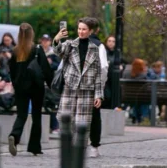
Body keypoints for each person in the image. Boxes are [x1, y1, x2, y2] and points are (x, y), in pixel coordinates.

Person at [8, 23, 53, 156]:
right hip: (36, 86)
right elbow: (45, 69)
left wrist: (15, 85)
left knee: (21, 115)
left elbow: (12, 71)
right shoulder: (37, 49)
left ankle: (14, 136)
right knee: (36, 115)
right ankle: (34, 146)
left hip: (20, 87)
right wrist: (52, 85)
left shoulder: (15, 51)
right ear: (31, 34)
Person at [52, 19, 104, 134]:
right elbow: (57, 51)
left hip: (87, 90)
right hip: (69, 88)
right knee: (66, 122)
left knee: (82, 125)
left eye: (84, 29)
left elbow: (98, 73)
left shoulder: (95, 49)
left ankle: (80, 150)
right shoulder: (70, 45)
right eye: (79, 29)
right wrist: (57, 38)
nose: (81, 31)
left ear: (90, 31)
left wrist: (98, 95)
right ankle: (67, 150)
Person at [83, 17, 109, 158]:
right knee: (94, 116)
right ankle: (94, 146)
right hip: (93, 84)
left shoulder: (74, 44)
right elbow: (104, 67)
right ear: (96, 30)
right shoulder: (99, 46)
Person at [41, 34, 62, 134]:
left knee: (52, 103)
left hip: (50, 83)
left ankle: (54, 126)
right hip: (40, 82)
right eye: (43, 40)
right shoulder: (38, 51)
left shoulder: (54, 53)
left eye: (47, 40)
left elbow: (58, 66)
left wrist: (50, 64)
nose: (45, 42)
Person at [104, 34, 124, 110]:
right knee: (107, 96)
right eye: (109, 41)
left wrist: (121, 66)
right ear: (106, 42)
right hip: (106, 79)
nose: (111, 43)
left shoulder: (118, 53)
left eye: (113, 41)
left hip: (115, 80)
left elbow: (122, 63)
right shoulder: (103, 52)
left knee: (114, 97)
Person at [127, 58, 149, 124]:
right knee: (144, 101)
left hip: (129, 96)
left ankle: (134, 115)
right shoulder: (144, 75)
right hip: (142, 96)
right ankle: (144, 117)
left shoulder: (127, 73)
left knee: (135, 102)